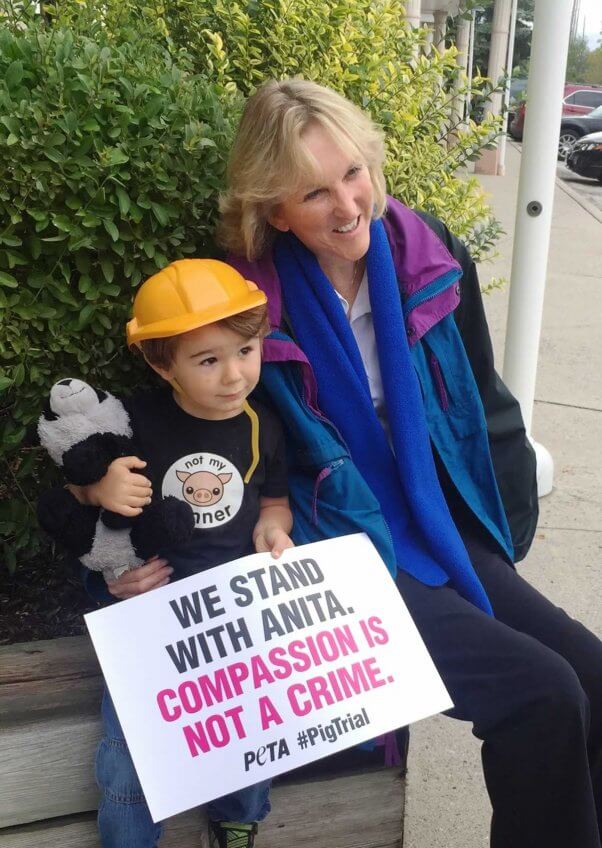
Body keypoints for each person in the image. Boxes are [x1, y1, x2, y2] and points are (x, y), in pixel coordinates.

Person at [103, 79, 601, 848]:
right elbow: (187, 438)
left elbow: (482, 401)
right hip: (329, 542)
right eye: (314, 192)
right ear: (274, 211)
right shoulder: (240, 301)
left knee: (590, 676)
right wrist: (134, 546)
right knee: (541, 694)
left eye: (354, 173)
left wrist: (508, 521)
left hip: (435, 521)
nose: (346, 206)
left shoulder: (429, 255)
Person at [74, 259, 294, 848]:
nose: (234, 375)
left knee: (251, 730)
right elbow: (77, 487)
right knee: (130, 755)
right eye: (207, 360)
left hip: (233, 616)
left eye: (246, 350)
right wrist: (98, 488)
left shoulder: (264, 425)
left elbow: (274, 500)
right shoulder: (135, 420)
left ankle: (238, 819)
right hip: (148, 615)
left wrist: (272, 530)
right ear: (159, 362)